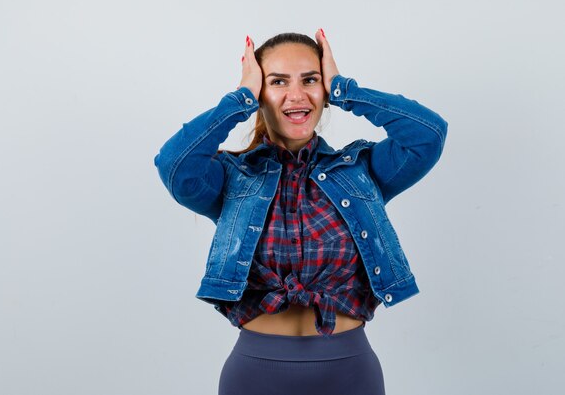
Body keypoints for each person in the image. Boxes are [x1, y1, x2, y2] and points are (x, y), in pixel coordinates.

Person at [154, 29, 448, 395]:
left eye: (310, 80)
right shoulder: (230, 177)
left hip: (350, 371)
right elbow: (174, 164)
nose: (297, 95)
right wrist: (240, 99)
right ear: (260, 91)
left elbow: (428, 134)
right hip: (255, 373)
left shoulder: (362, 170)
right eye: (278, 82)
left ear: (323, 90)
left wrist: (344, 89)